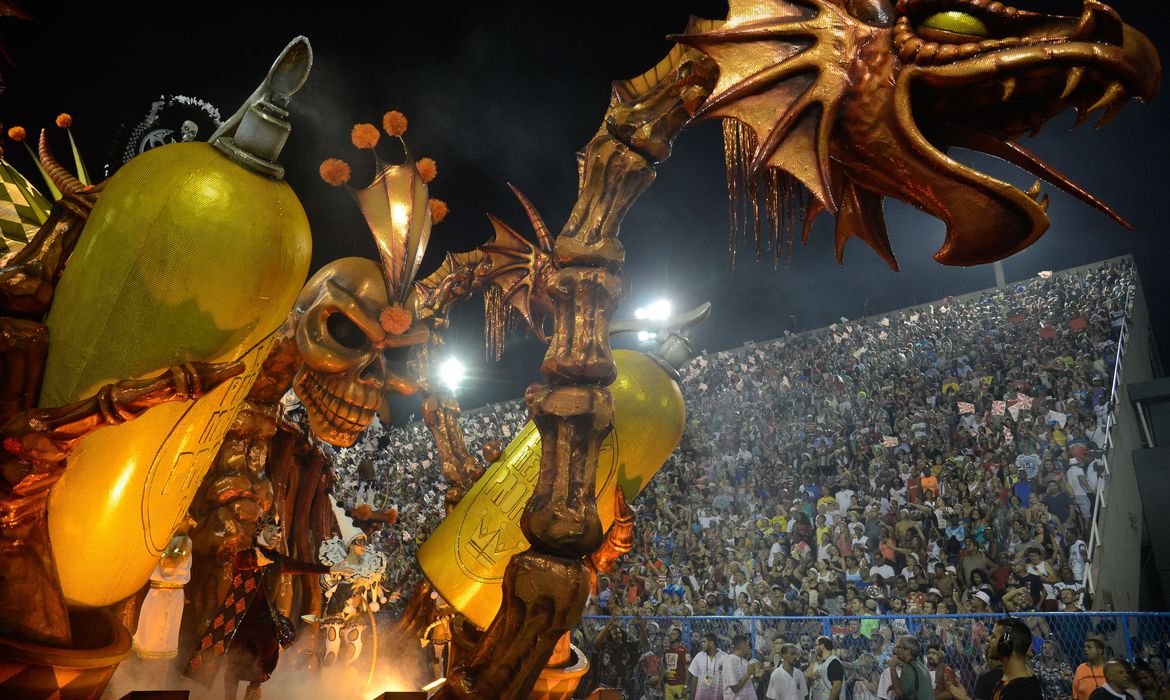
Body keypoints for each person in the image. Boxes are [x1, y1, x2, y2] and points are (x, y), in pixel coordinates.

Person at [184, 515, 335, 700]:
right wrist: (257, 562)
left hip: (264, 618)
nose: (275, 535)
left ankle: (254, 688)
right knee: (234, 663)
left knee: (269, 648)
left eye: (278, 532)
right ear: (258, 532)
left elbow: (303, 566)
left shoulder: (278, 561)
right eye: (271, 530)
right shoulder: (245, 555)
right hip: (239, 618)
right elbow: (242, 563)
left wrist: (330, 570)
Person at [990, 617, 1042, 699]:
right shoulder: (1010, 680)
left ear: (1006, 645)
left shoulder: (1020, 690)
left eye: (993, 637)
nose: (988, 639)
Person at [887, 635, 932, 700]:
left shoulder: (909, 669)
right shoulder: (921, 666)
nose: (895, 649)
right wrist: (896, 684)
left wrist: (892, 668)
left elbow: (899, 693)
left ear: (907, 651)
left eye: (899, 647)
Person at [689, 632, 730, 700]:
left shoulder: (725, 658)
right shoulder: (699, 656)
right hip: (700, 697)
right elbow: (694, 678)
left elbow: (729, 680)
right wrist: (691, 698)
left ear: (711, 643)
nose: (702, 644)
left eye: (704, 642)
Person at [725, 634, 762, 700]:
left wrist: (757, 675)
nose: (748, 647)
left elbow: (749, 681)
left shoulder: (744, 661)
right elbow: (734, 688)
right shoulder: (730, 662)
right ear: (742, 645)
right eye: (747, 645)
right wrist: (748, 673)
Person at [807, 636, 844, 700]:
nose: (815, 648)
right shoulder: (823, 662)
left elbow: (836, 687)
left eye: (816, 645)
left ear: (822, 646)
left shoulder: (834, 662)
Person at [662, 625, 691, 700]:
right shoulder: (666, 650)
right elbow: (664, 666)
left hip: (679, 685)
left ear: (679, 637)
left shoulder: (684, 651)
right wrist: (660, 681)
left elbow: (688, 670)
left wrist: (685, 686)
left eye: (674, 634)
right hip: (668, 685)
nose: (671, 636)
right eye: (671, 634)